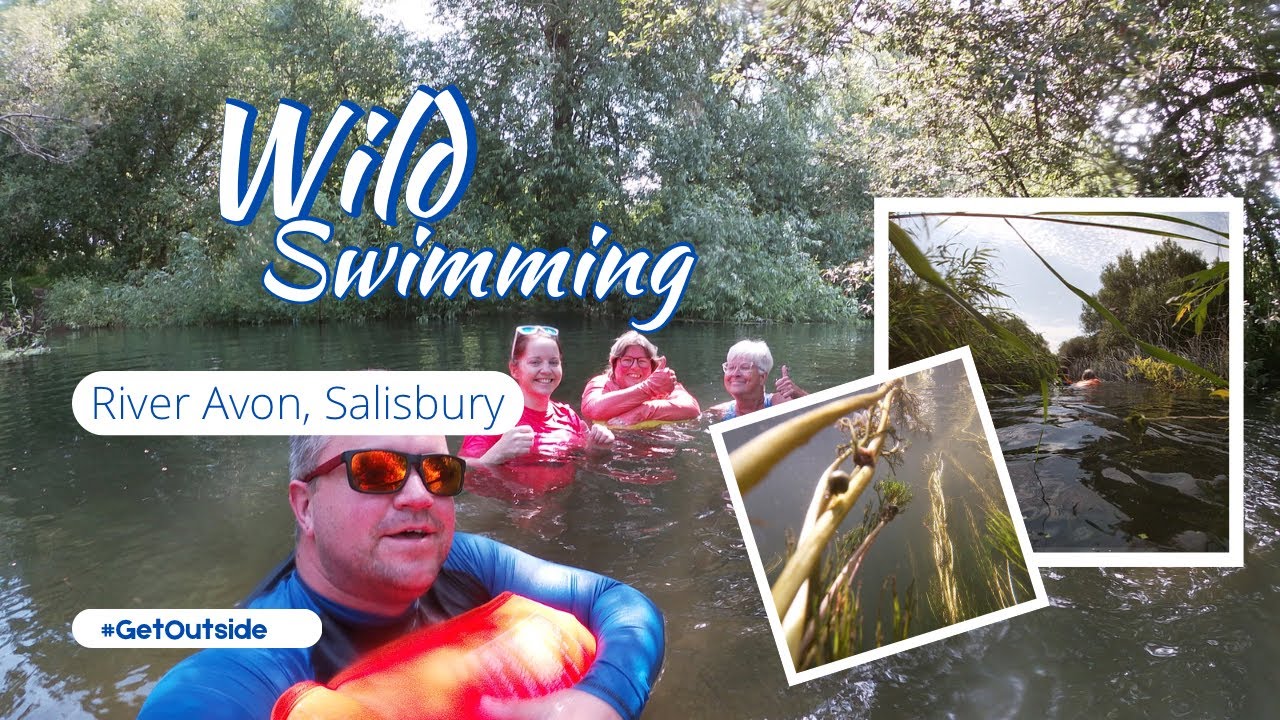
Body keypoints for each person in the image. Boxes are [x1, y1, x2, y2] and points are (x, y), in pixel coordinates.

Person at [139, 434, 665, 720]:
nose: (419, 495)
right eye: (374, 469)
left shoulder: (464, 559)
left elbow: (620, 603)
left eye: (439, 471)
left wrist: (601, 701)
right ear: (305, 506)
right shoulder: (260, 654)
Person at [461, 325, 614, 467]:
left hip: (563, 496)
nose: (546, 370)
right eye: (535, 362)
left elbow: (587, 463)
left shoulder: (569, 417)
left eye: (554, 362)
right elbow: (462, 469)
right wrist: (496, 455)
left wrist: (597, 448)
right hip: (508, 496)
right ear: (514, 369)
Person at [580, 331, 701, 427]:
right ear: (614, 362)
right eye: (627, 360)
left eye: (642, 361)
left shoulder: (660, 384)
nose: (635, 367)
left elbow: (693, 409)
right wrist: (649, 388)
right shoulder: (601, 383)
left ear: (652, 366)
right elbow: (593, 410)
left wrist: (644, 411)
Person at [710, 340, 808, 420]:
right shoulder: (719, 413)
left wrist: (798, 394)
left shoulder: (779, 403)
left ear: (762, 377)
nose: (735, 374)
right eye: (731, 367)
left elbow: (820, 412)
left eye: (744, 367)